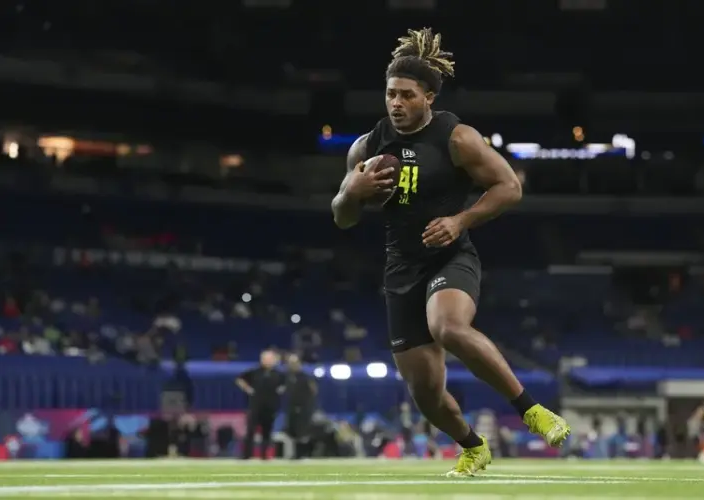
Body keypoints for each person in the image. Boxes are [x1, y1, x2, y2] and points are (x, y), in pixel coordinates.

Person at [331, 27, 570, 476]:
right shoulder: (366, 147)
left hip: (450, 256)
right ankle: (473, 446)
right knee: (424, 392)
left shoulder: (457, 138)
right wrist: (352, 191)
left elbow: (509, 187)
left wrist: (460, 221)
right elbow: (342, 217)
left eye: (406, 95)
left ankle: (531, 410)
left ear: (429, 98)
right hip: (401, 267)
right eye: (389, 95)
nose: (395, 103)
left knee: (448, 327)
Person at [235, 349, 285, 459]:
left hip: (270, 406)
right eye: (265, 358)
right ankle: (246, 454)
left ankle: (265, 455)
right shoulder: (255, 372)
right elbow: (240, 379)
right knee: (250, 431)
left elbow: (286, 384)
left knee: (267, 432)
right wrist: (248, 389)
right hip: (255, 405)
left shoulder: (279, 374)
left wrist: (281, 390)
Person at [284, 353, 318, 459]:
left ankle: (302, 454)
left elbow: (313, 391)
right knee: (292, 431)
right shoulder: (287, 377)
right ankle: (295, 453)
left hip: (303, 408)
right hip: (291, 408)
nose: (292, 365)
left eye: (294, 363)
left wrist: (307, 406)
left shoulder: (305, 377)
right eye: (290, 363)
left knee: (302, 431)